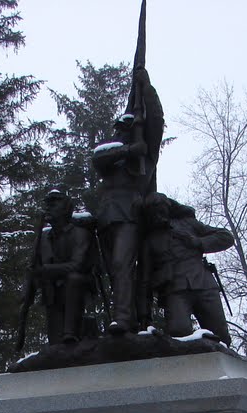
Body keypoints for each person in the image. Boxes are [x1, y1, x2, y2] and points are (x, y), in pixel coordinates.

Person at [91, 66, 164, 334]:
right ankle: (126, 317)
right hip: (107, 218)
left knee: (123, 265)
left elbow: (156, 119)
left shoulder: (145, 159)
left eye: (127, 128)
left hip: (130, 215)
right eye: (119, 128)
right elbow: (98, 157)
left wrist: (147, 89)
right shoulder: (112, 155)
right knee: (114, 271)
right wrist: (130, 148)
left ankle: (124, 319)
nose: (122, 131)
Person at [143, 193, 233, 346]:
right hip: (175, 290)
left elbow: (226, 237)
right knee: (179, 332)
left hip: (204, 285)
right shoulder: (149, 240)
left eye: (161, 209)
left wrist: (199, 242)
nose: (159, 215)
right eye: (154, 212)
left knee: (221, 335)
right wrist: (144, 313)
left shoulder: (188, 224)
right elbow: (144, 279)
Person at [20, 189, 97, 346]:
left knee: (73, 279)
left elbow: (77, 265)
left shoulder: (79, 234)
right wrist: (25, 298)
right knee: (55, 342)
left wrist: (46, 270)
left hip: (78, 286)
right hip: (52, 290)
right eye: (47, 205)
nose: (48, 209)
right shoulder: (43, 238)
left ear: (65, 210)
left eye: (53, 205)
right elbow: (32, 268)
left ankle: (71, 333)